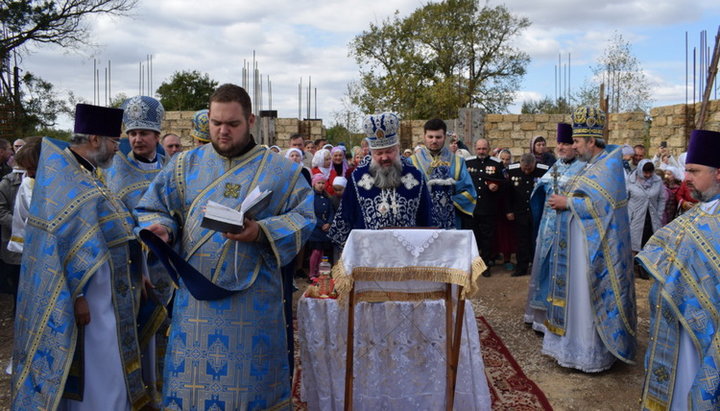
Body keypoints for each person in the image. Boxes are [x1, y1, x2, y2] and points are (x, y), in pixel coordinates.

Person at [135, 83, 315, 409]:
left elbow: (304, 218)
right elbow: (153, 208)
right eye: (216, 123)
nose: (222, 131)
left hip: (254, 300)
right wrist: (161, 229)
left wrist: (261, 231)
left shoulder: (282, 172)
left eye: (232, 124)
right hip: (196, 299)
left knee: (248, 391)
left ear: (251, 120)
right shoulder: (184, 166)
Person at [12, 104, 149, 410]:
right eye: (113, 141)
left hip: (109, 292)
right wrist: (77, 296)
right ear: (94, 138)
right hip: (89, 298)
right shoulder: (66, 181)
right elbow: (57, 247)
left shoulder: (87, 174)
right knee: (98, 369)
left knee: (108, 364)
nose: (117, 148)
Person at [544, 106, 636, 372]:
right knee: (576, 293)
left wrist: (567, 202)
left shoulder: (607, 167)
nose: (573, 146)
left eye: (576, 141)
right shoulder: (592, 165)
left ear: (591, 142)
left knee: (586, 296)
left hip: (593, 248)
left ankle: (588, 351)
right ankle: (571, 345)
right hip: (579, 243)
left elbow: (602, 207)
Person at [637, 129, 720, 410]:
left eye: (694, 171)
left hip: (707, 333)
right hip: (679, 325)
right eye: (687, 170)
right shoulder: (698, 211)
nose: (687, 178)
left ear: (718, 173)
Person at [328, 112, 432, 246]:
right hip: (368, 255)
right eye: (379, 153)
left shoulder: (415, 176)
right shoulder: (358, 177)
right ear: (371, 153)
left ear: (398, 148)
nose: (384, 157)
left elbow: (426, 215)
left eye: (389, 151)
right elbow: (347, 214)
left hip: (408, 254)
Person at [524, 123, 586, 332]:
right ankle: (541, 317)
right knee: (545, 268)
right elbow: (541, 188)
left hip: (568, 229)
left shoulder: (583, 168)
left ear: (575, 146)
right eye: (559, 143)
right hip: (548, 226)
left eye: (566, 143)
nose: (561, 147)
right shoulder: (557, 165)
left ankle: (561, 317)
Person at [409, 118, 476, 229]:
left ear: (445, 137)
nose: (434, 141)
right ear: (424, 136)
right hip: (421, 220)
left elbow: (469, 192)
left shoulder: (458, 162)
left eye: (438, 137)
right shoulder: (412, 162)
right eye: (430, 137)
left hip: (451, 220)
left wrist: (448, 202)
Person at [465, 138, 505, 277]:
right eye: (479, 149)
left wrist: (497, 186)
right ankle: (472, 265)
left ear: (488, 149)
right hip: (472, 208)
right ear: (475, 149)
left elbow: (505, 182)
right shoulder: (468, 163)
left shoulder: (497, 164)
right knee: (473, 237)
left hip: (489, 207)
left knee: (487, 238)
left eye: (484, 148)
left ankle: (486, 265)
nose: (481, 151)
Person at [505, 153, 548, 277]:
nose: (527, 171)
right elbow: (508, 193)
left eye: (530, 169)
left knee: (536, 240)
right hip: (519, 211)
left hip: (537, 212)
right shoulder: (512, 170)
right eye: (525, 168)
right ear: (520, 164)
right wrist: (509, 211)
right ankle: (521, 267)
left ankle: (536, 268)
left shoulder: (543, 170)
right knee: (521, 240)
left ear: (535, 164)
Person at [627, 160, 666, 255]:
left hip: (652, 219)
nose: (648, 175)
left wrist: (659, 214)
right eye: (645, 172)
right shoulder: (631, 181)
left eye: (650, 172)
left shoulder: (657, 181)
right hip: (635, 218)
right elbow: (624, 200)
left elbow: (661, 199)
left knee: (651, 245)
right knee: (634, 245)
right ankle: (633, 266)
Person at [308, 174, 335, 281]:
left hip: (325, 229)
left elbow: (331, 211)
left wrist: (329, 222)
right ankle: (311, 274)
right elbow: (310, 213)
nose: (321, 185)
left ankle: (320, 272)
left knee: (322, 252)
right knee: (316, 251)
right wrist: (320, 224)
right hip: (316, 229)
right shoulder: (310, 197)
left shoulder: (327, 197)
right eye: (318, 183)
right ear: (314, 184)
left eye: (323, 183)